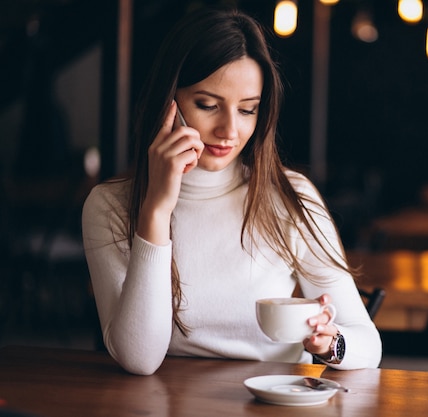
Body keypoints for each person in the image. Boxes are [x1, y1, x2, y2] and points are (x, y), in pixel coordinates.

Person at [81, 7, 382, 376]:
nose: (229, 130)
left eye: (247, 110)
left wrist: (331, 343)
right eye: (208, 105)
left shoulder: (290, 196)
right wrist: (156, 212)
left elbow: (366, 341)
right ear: (167, 102)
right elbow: (139, 359)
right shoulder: (110, 206)